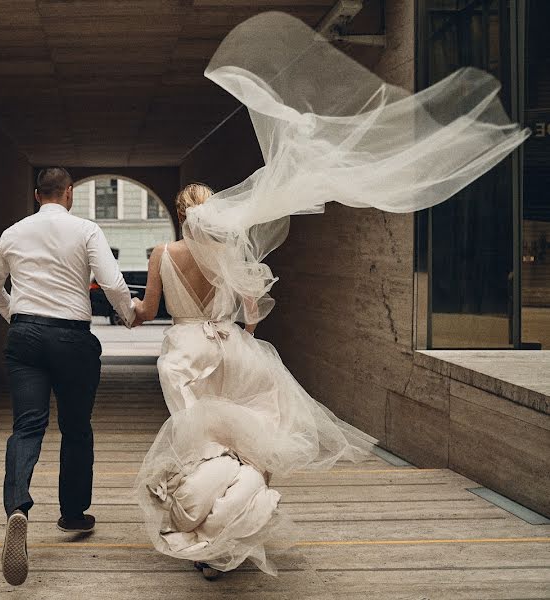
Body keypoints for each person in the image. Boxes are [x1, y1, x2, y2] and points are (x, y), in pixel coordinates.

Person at [131, 11, 529, 581]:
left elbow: (147, 312)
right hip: (232, 352)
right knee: (252, 441)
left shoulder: (162, 256)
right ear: (214, 211)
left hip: (185, 356)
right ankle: (237, 529)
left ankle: (206, 537)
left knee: (201, 446)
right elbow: (251, 309)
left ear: (179, 214)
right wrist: (243, 333)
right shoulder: (231, 253)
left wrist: (134, 312)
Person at [0, 167, 140, 586]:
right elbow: (113, 282)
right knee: (75, 428)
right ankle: (72, 514)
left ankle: (17, 506)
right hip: (71, 338)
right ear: (69, 193)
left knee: (27, 427)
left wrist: (16, 315)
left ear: (36, 195)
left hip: (25, 335)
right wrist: (128, 317)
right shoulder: (86, 229)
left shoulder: (13, 232)